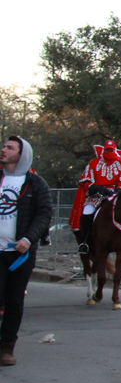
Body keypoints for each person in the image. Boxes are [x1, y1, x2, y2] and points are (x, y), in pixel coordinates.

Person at [0, 136, 52, 366]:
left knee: (14, 300)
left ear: (21, 155)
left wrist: (28, 238)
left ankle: (6, 348)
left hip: (20, 254)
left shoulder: (35, 183)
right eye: (3, 146)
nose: (3, 150)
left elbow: (44, 213)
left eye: (9, 148)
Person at [68, 140, 121, 255]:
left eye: (111, 150)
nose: (109, 152)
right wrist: (98, 188)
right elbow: (86, 182)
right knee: (87, 212)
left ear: (115, 150)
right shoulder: (93, 163)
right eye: (107, 150)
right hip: (96, 196)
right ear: (103, 149)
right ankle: (85, 242)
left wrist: (118, 190)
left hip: (114, 195)